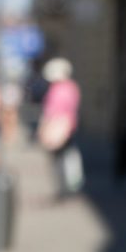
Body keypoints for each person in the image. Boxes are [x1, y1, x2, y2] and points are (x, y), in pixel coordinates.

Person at [39, 57, 81, 198]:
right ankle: (69, 186)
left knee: (59, 159)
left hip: (58, 128)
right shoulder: (72, 87)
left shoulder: (57, 90)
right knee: (67, 157)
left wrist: (44, 128)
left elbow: (50, 111)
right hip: (69, 126)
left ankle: (63, 188)